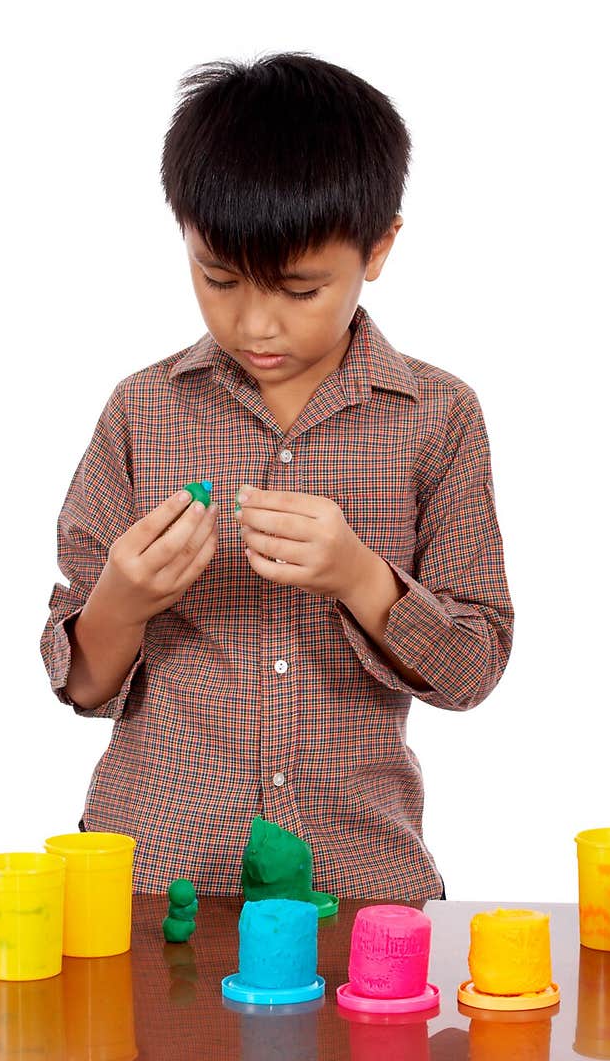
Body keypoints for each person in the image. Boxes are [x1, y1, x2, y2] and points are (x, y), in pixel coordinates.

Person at [39, 50, 514, 902]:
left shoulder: (438, 417)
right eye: (218, 278)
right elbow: (80, 682)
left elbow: (473, 672)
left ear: (380, 247)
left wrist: (362, 577)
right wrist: (122, 597)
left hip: (362, 885)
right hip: (154, 882)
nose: (254, 321)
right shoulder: (142, 410)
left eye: (299, 288)